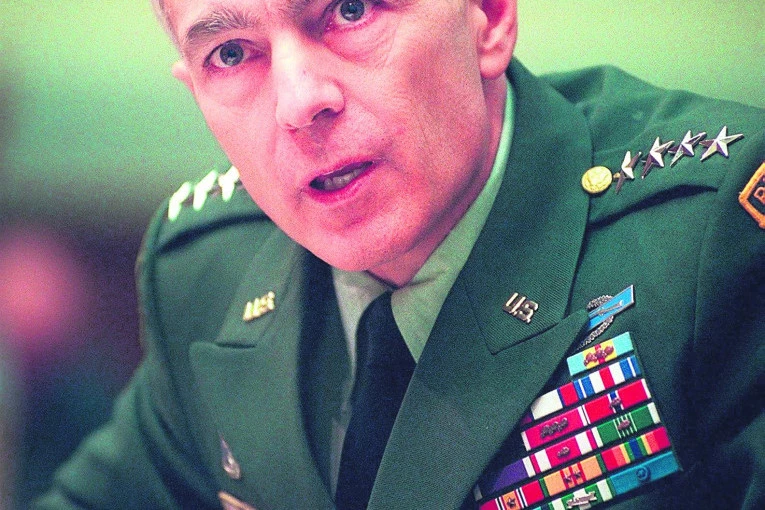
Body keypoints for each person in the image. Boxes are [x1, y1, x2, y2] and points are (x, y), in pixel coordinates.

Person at [35, 0, 763, 508]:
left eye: (350, 11)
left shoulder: (709, 240)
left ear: (489, 16)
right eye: (230, 54)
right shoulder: (205, 268)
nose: (298, 102)